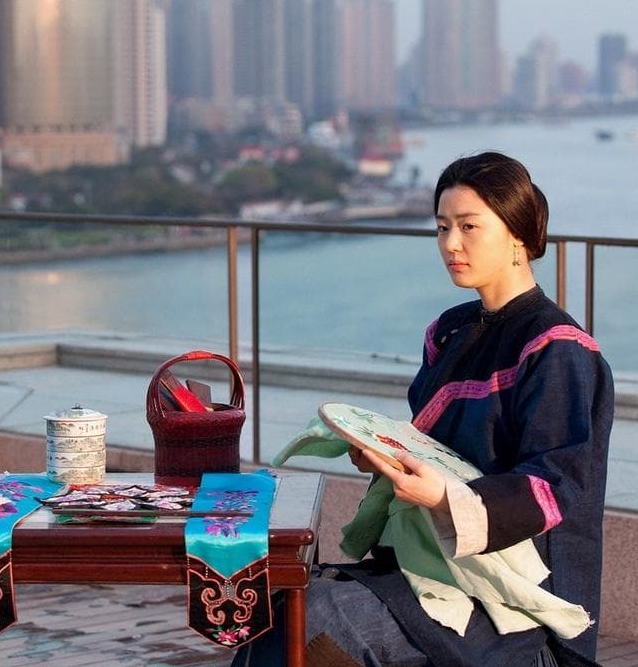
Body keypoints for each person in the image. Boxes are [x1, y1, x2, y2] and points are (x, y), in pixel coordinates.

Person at [235, 152, 614, 667]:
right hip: (435, 566)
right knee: (287, 602)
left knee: (316, 615)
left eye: (469, 226)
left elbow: (557, 487)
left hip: (519, 605)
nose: (451, 244)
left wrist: (445, 497)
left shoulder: (557, 348)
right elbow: (434, 449)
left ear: (518, 235)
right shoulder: (449, 332)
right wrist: (385, 457)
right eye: (441, 227)